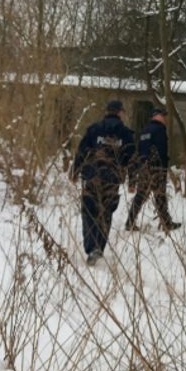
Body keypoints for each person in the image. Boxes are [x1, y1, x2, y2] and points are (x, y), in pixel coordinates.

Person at [70, 99, 135, 265]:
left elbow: (82, 151)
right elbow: (132, 159)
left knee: (89, 212)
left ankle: (91, 247)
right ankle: (99, 246)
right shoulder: (127, 134)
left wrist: (75, 171)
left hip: (91, 176)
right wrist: (132, 181)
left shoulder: (94, 129)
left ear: (107, 111)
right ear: (120, 112)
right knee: (105, 213)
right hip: (112, 180)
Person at [125, 107, 181, 232]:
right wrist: (163, 169)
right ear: (158, 116)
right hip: (156, 169)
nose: (166, 119)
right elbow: (161, 152)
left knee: (140, 196)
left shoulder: (145, 131)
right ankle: (167, 224)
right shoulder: (160, 130)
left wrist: (136, 173)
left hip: (144, 169)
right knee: (160, 196)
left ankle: (129, 222)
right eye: (164, 116)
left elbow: (139, 152)